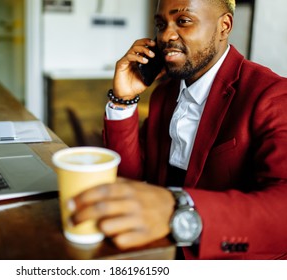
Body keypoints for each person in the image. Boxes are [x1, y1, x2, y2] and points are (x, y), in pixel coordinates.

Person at [67, 0, 287, 260]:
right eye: (161, 25)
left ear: (224, 26)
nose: (166, 36)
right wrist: (123, 100)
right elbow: (130, 176)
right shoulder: (165, 93)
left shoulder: (272, 95)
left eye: (183, 21)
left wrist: (179, 209)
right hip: (158, 248)